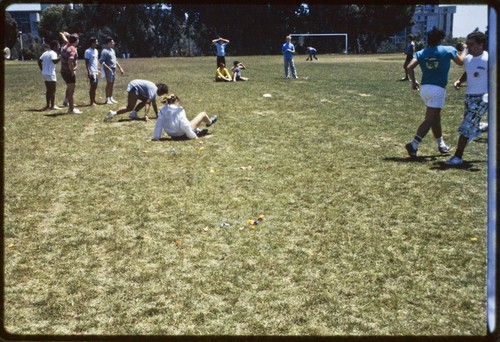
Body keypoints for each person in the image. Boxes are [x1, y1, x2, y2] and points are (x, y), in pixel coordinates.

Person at [405, 28, 466, 158]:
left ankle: (441, 144)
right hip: (437, 89)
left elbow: (409, 67)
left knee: (435, 118)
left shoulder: (421, 52)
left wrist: (413, 81)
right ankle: (414, 144)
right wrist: (465, 49)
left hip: (425, 89)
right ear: (440, 39)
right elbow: (461, 62)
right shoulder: (448, 49)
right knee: (430, 119)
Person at [445, 31, 488, 166]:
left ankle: (458, 156)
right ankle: (483, 126)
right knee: (469, 122)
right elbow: (467, 72)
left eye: (471, 44)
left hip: (483, 97)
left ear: (481, 45)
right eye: (467, 44)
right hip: (469, 96)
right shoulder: (468, 59)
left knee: (466, 126)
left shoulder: (489, 59)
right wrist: (459, 81)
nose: (468, 47)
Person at [153, 94, 218, 140]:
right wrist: (193, 136)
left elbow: (158, 125)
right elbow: (185, 125)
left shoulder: (162, 110)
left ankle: (198, 130)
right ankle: (209, 122)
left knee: (190, 123)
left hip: (171, 134)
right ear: (176, 101)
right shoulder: (179, 110)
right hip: (182, 133)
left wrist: (156, 137)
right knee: (203, 114)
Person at [104, 79, 168, 122]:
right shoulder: (154, 90)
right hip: (134, 87)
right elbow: (148, 103)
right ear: (161, 91)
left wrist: (157, 114)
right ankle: (113, 113)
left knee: (145, 100)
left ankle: (133, 114)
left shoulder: (154, 89)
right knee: (130, 107)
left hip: (135, 86)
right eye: (163, 93)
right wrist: (146, 115)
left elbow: (154, 103)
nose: (162, 95)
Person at [60, 32, 82, 114]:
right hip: (69, 72)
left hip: (63, 71)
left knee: (70, 88)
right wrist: (72, 72)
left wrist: (63, 34)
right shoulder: (73, 49)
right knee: (71, 90)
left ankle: (69, 105)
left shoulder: (66, 46)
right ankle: (71, 109)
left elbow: (66, 40)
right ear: (76, 41)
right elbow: (70, 61)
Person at [37, 40, 61, 110]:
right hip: (51, 73)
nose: (59, 47)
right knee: (53, 90)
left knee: (48, 90)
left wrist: (42, 69)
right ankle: (52, 106)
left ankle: (48, 105)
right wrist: (60, 58)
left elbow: (39, 61)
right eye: (58, 45)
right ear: (54, 46)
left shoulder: (45, 53)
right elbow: (54, 61)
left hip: (45, 73)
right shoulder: (53, 53)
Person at [100, 37, 124, 104]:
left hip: (114, 69)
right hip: (109, 69)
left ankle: (111, 97)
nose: (113, 43)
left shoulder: (112, 50)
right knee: (109, 83)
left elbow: (115, 60)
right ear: (109, 43)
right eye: (112, 42)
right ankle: (107, 99)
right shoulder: (104, 51)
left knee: (112, 84)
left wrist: (120, 68)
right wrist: (108, 68)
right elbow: (101, 61)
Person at [84, 37, 100, 106]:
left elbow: (97, 60)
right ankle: (91, 102)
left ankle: (94, 100)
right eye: (96, 42)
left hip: (96, 71)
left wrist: (99, 69)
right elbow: (86, 62)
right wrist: (88, 71)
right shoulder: (88, 51)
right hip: (91, 71)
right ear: (92, 43)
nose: (97, 43)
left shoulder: (96, 51)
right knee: (93, 86)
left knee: (95, 86)